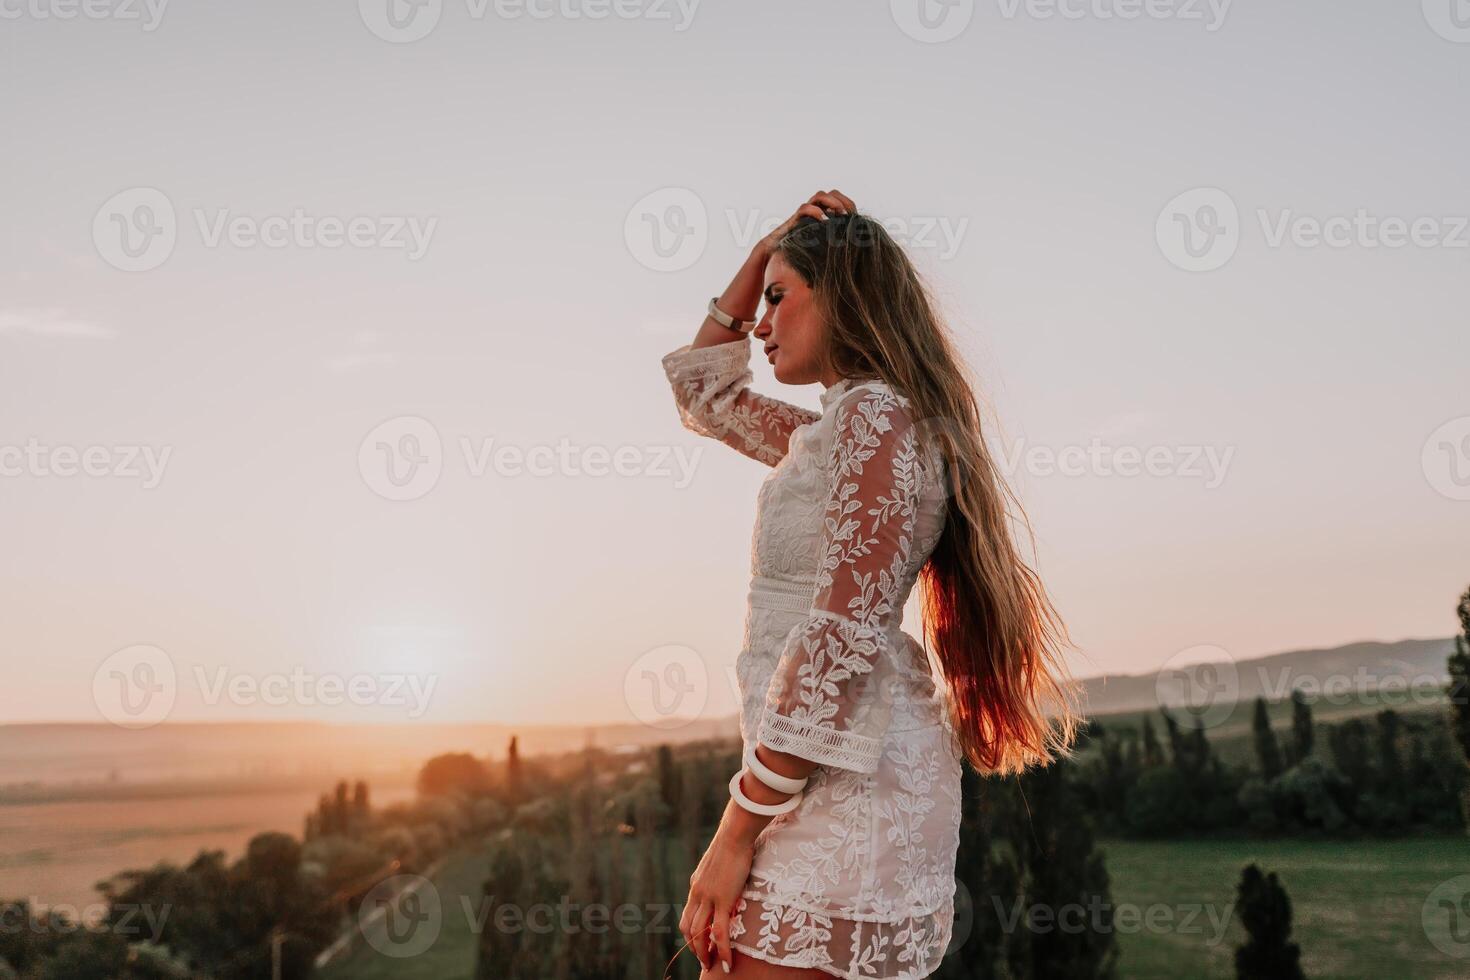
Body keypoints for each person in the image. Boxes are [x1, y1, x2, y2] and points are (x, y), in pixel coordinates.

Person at [661, 189, 1083, 979]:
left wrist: (733, 834)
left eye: (780, 299)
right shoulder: (842, 425)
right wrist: (762, 255)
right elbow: (702, 396)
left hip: (842, 783)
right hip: (811, 769)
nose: (759, 322)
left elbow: (839, 637)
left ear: (844, 299)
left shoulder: (873, 419)